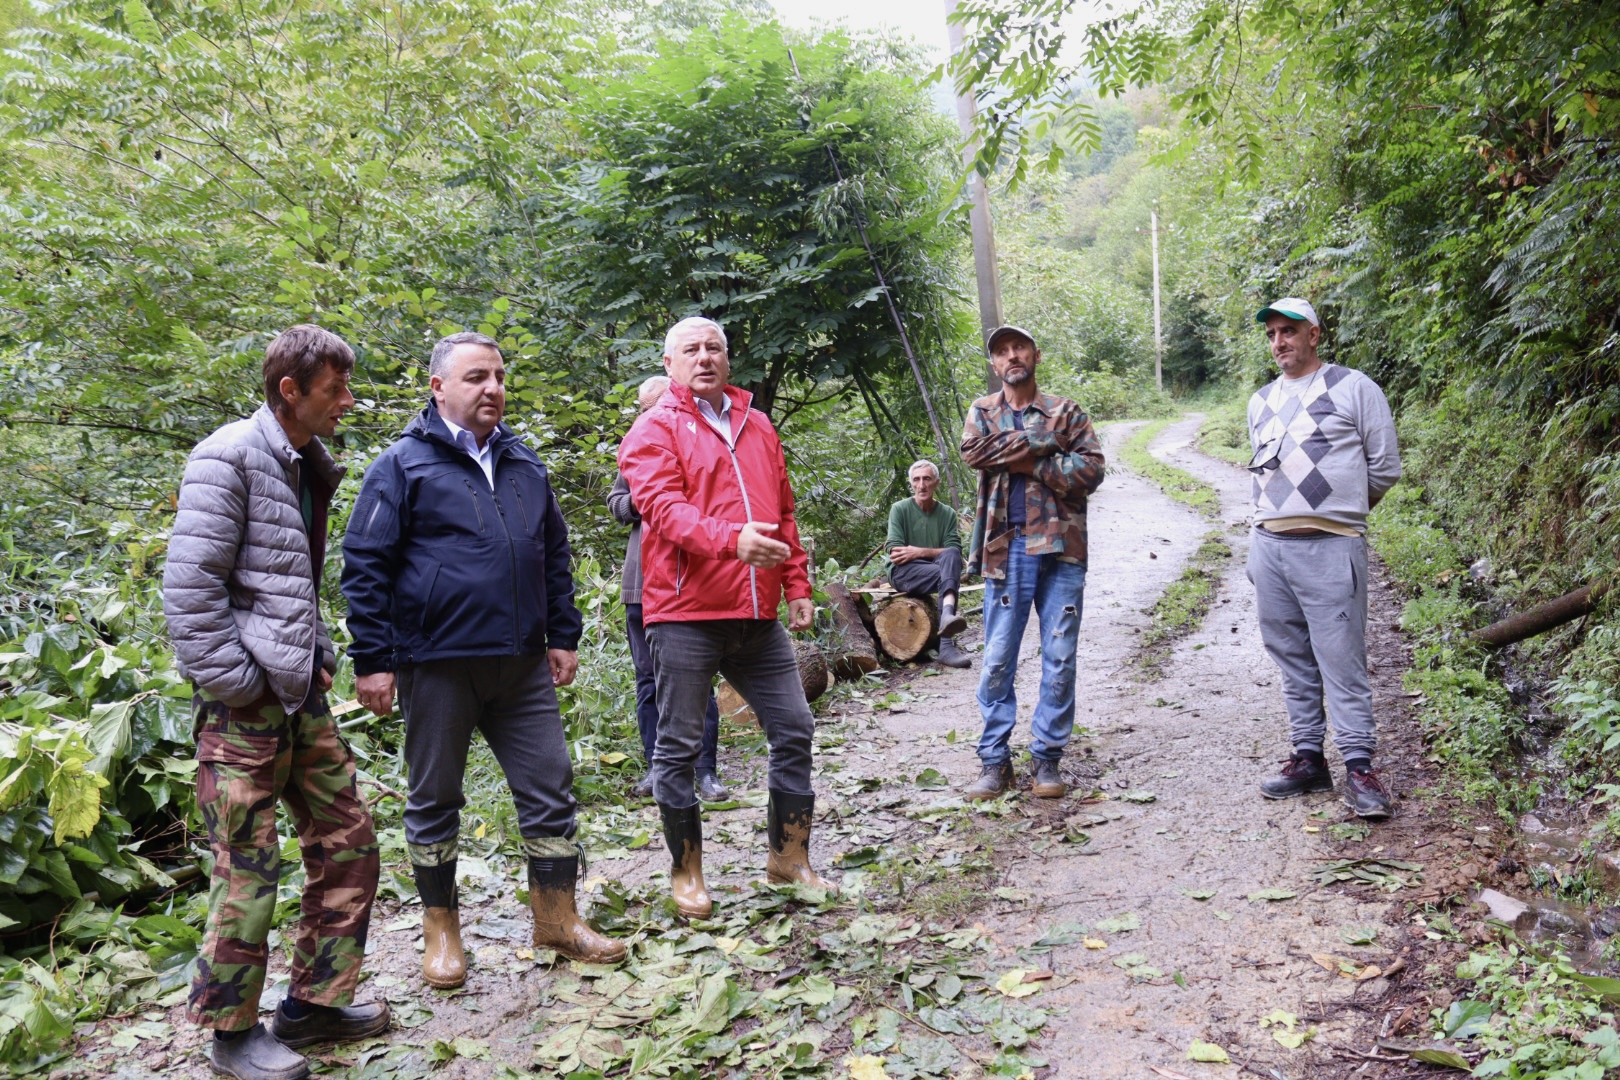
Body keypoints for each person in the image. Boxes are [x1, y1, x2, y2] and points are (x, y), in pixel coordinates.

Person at [341, 331, 624, 989]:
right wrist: (373, 659)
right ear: (438, 386)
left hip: (522, 663)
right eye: (476, 377)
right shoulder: (401, 466)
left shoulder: (525, 463)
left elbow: (552, 554)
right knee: (435, 797)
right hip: (436, 663)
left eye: (498, 376)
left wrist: (564, 633)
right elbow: (365, 563)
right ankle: (441, 932)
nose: (492, 387)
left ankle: (557, 919)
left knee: (550, 788)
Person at [162, 325, 389, 1080]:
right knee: (248, 864)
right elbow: (191, 594)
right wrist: (242, 684)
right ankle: (231, 1033)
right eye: (335, 390)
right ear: (290, 390)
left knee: (349, 837)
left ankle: (315, 1005)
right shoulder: (227, 456)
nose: (347, 403)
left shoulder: (299, 461)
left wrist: (315, 653)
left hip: (297, 697)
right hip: (246, 707)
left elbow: (284, 583)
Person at [618, 316, 835, 919]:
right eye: (690, 349)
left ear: (728, 358)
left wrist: (796, 582)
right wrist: (731, 540)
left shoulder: (757, 424)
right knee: (679, 747)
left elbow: (783, 511)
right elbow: (662, 511)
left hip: (759, 614)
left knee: (794, 726)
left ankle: (789, 858)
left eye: (714, 347)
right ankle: (686, 873)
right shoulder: (653, 429)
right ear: (670, 364)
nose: (704, 357)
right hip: (686, 612)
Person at [1246, 297, 1402, 818]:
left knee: (1342, 660)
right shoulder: (1260, 400)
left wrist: (1341, 513)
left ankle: (1359, 766)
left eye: (1288, 331)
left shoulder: (1355, 387)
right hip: (1270, 548)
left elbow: (1383, 468)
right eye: (1272, 334)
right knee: (1292, 659)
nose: (1279, 342)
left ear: (1314, 333)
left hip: (1333, 547)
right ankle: (1309, 759)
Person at [959, 325, 1106, 801]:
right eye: (1001, 352)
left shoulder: (1068, 410)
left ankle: (1047, 757)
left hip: (1062, 548)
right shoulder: (982, 411)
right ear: (994, 365)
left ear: (1035, 355)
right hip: (1006, 546)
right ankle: (994, 760)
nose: (1011, 356)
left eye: (1018, 347)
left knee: (1059, 658)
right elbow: (972, 452)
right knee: (998, 656)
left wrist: (1024, 461)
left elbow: (1090, 471)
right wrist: (1046, 445)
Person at [608, 375, 730, 802]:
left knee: (697, 679)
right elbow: (617, 503)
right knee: (647, 681)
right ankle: (656, 770)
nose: (651, 413)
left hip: (687, 583)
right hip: (639, 584)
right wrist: (645, 501)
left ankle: (706, 771)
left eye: (657, 403)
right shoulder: (638, 445)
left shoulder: (699, 442)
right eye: (644, 407)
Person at [885, 459, 972, 669]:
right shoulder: (900, 509)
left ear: (936, 483)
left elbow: (954, 550)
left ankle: (947, 619)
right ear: (911, 483)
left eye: (926, 479)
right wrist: (932, 555)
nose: (921, 485)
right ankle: (946, 644)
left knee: (952, 555)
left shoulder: (947, 513)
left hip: (936, 571)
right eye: (916, 480)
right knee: (949, 567)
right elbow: (896, 552)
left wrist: (918, 552)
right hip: (903, 573)